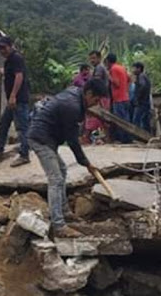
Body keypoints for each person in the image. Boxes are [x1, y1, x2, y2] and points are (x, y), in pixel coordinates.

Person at [28, 79, 105, 238]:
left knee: (62, 169)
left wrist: (85, 162)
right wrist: (86, 163)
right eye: (96, 100)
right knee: (55, 178)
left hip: (47, 138)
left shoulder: (75, 95)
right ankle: (59, 226)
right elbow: (72, 141)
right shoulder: (72, 106)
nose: (94, 105)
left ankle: (64, 211)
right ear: (89, 93)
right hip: (40, 138)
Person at [0, 37, 31, 167]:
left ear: (11, 46)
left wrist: (13, 96)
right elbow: (13, 74)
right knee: (4, 123)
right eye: (0, 48)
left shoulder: (16, 58)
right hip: (12, 101)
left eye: (4, 48)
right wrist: (5, 72)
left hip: (18, 100)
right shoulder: (9, 60)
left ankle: (24, 155)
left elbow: (19, 76)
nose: (2, 51)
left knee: (22, 127)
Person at [105, 53, 132, 143]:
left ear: (108, 61)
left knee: (119, 120)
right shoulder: (122, 68)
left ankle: (123, 139)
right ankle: (128, 138)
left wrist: (109, 77)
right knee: (126, 119)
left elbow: (116, 83)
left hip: (118, 98)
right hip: (125, 97)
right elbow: (129, 79)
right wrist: (126, 89)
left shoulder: (113, 69)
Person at [131, 62, 152, 133]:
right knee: (145, 121)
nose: (133, 70)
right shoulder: (143, 76)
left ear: (139, 69)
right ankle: (147, 136)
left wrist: (138, 97)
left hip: (141, 103)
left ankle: (137, 136)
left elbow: (143, 86)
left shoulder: (141, 76)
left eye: (134, 68)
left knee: (137, 120)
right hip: (145, 102)